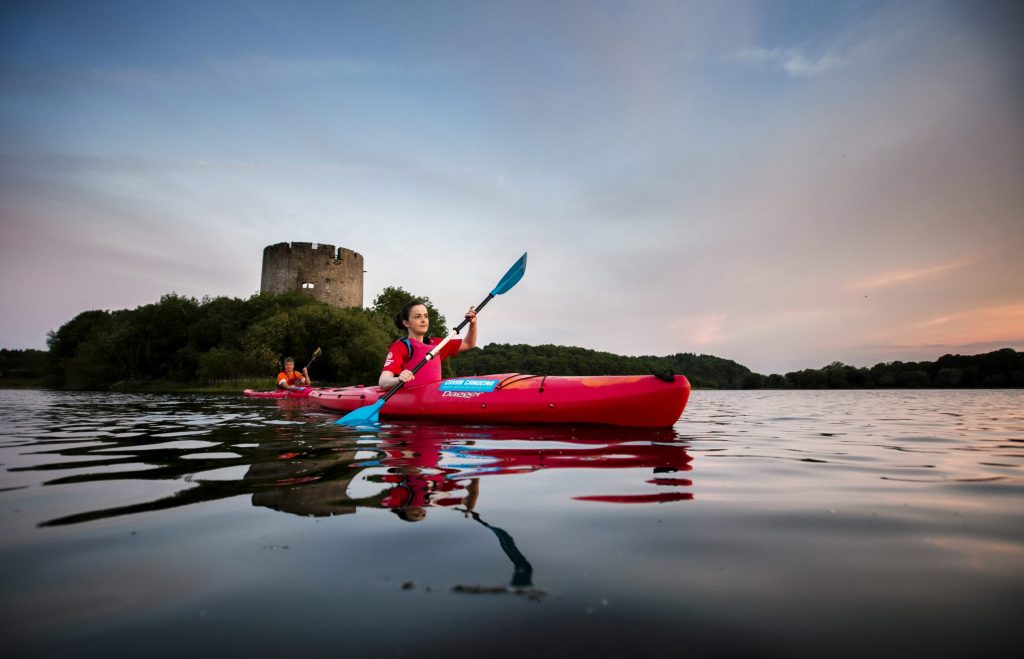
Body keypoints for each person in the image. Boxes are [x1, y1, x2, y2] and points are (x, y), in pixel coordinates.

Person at [379, 300, 477, 390]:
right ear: (406, 323)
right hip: (411, 402)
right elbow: (383, 382)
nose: (423, 320)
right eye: (418, 317)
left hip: (434, 399)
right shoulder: (401, 347)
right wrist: (398, 379)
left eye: (426, 316)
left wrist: (473, 324)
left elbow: (469, 343)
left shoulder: (438, 345)